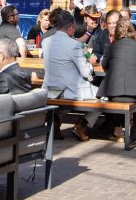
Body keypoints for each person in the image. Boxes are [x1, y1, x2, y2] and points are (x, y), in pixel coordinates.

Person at [97, 18, 136, 148]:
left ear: (117, 32)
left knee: (114, 101)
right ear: (132, 31)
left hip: (113, 91)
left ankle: (118, 131)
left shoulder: (111, 47)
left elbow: (104, 66)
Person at [41, 10, 98, 141]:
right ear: (71, 27)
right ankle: (82, 124)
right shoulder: (75, 45)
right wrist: (91, 64)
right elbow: (86, 72)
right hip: (70, 91)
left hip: (49, 89)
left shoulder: (46, 42)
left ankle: (56, 119)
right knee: (104, 96)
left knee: (59, 102)